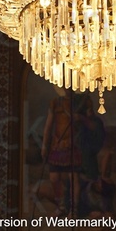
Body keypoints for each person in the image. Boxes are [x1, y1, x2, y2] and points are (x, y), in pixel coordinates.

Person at [40, 88, 82, 216]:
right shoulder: (56, 102)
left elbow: (86, 124)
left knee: (73, 178)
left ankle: (74, 210)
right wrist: (44, 145)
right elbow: (49, 125)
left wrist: (78, 117)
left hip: (73, 144)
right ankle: (61, 205)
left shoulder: (80, 103)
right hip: (57, 145)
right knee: (54, 177)